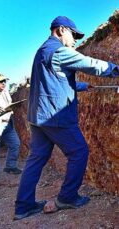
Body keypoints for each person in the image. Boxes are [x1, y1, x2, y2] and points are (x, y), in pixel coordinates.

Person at [14, 16, 119, 220]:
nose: (76, 41)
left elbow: (52, 82)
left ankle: (23, 206)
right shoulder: (59, 51)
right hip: (55, 116)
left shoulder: (42, 51)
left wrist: (81, 86)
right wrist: (115, 69)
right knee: (79, 152)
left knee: (36, 159)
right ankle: (67, 197)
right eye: (74, 35)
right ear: (61, 30)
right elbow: (90, 64)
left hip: (38, 117)